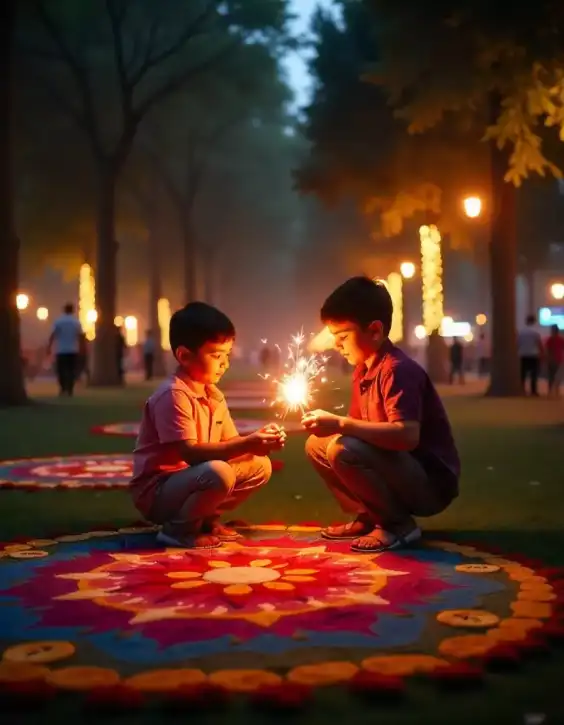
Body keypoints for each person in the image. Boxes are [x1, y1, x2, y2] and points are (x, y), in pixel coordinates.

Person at [302, 276, 460, 553]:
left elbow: (407, 436)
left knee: (343, 448)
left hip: (428, 484)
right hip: (399, 471)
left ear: (374, 331)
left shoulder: (397, 370)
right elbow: (358, 430)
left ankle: (398, 525)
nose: (336, 346)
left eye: (342, 337)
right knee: (318, 445)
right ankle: (369, 516)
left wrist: (340, 423)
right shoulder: (363, 369)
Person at [130, 302, 286, 549]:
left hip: (194, 480)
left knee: (259, 466)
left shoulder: (213, 395)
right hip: (159, 490)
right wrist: (248, 443)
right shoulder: (173, 394)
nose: (225, 364)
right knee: (219, 472)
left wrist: (259, 442)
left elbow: (231, 444)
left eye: (227, 355)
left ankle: (205, 519)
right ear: (184, 355)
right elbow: (190, 454)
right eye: (216, 355)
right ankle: (178, 530)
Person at [47, 303, 85, 396]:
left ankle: (63, 387)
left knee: (61, 370)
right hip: (73, 349)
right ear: (72, 310)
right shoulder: (76, 322)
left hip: (61, 350)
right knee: (71, 370)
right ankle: (70, 388)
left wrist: (49, 347)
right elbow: (80, 336)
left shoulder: (58, 321)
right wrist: (82, 348)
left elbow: (53, 335)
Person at [517, 315, 543, 396]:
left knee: (523, 374)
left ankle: (522, 389)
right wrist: (542, 354)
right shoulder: (536, 333)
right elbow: (539, 344)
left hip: (523, 354)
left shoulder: (521, 332)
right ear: (534, 321)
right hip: (534, 355)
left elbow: (518, 344)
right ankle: (533, 391)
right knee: (534, 374)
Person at [545, 324, 564, 397]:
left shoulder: (550, 339)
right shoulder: (561, 339)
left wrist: (547, 358)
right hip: (558, 359)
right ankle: (557, 391)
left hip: (551, 359)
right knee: (558, 376)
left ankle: (550, 391)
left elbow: (547, 349)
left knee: (551, 376)